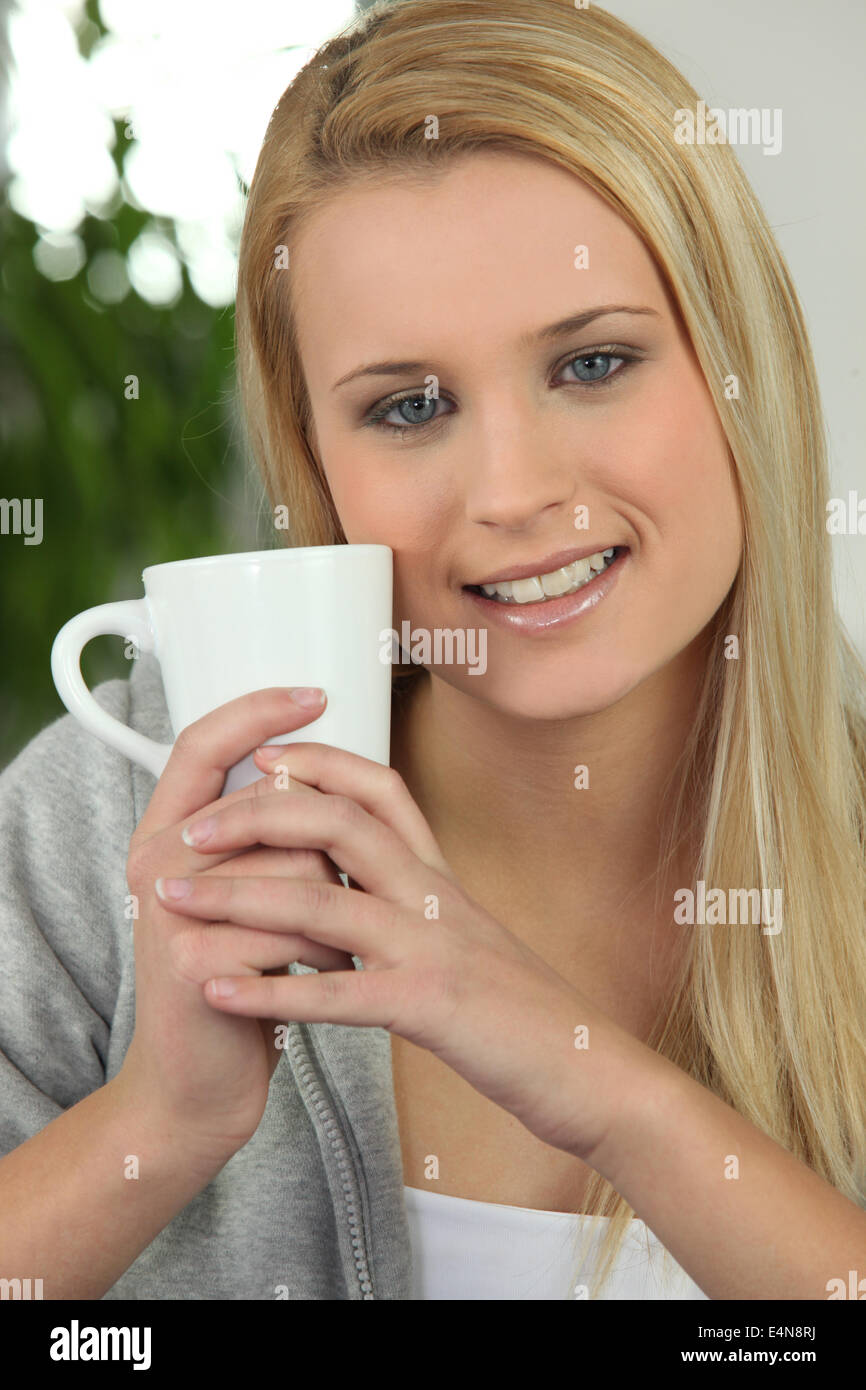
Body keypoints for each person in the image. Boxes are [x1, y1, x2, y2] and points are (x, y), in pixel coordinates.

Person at [1, 0, 864, 1302]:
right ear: (319, 461)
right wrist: (155, 1125)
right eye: (407, 406)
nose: (510, 490)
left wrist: (598, 1083)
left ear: (742, 364)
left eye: (591, 362)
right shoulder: (112, 815)